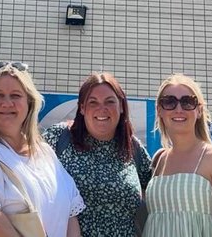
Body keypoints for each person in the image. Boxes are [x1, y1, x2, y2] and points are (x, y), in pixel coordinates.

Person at [0, 61, 85, 237]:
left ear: (29, 103)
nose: (7, 103)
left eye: (16, 95)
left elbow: (70, 212)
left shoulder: (45, 153)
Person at [42, 72, 152, 236]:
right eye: (93, 102)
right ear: (82, 107)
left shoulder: (132, 147)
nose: (102, 109)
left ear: (121, 106)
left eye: (110, 101)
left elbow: (159, 191)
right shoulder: (59, 138)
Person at [142, 73, 212, 237]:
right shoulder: (159, 159)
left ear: (199, 110)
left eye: (188, 102)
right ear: (159, 110)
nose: (179, 109)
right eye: (169, 102)